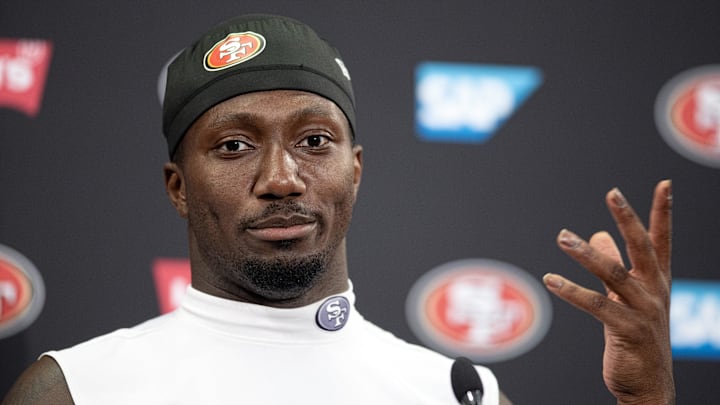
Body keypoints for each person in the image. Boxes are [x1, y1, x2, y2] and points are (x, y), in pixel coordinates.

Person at [1, 14, 674, 405]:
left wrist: (647, 401)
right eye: (234, 145)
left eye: (313, 140)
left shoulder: (457, 391)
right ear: (178, 186)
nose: (281, 178)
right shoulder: (75, 390)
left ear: (356, 168)